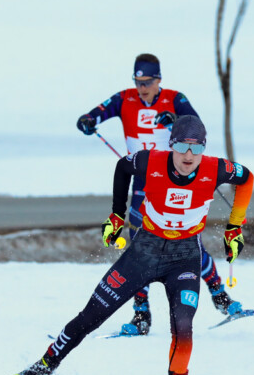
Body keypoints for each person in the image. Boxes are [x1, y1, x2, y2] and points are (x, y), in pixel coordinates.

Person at [0, 116, 254, 375]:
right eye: (182, 146)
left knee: (183, 327)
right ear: (171, 144)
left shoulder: (216, 168)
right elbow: (123, 167)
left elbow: (247, 178)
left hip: (185, 256)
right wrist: (117, 216)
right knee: (90, 316)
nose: (189, 156)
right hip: (144, 251)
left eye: (196, 148)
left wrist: (234, 228)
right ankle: (42, 368)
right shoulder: (150, 160)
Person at [76, 53, 241, 336]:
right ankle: (141, 314)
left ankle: (219, 294)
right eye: (138, 82)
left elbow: (196, 125)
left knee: (186, 241)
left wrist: (174, 120)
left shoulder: (175, 98)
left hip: (176, 182)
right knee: (139, 246)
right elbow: (97, 113)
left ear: (159, 80)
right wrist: (88, 120)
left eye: (148, 82)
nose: (142, 88)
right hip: (143, 183)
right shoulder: (124, 98)